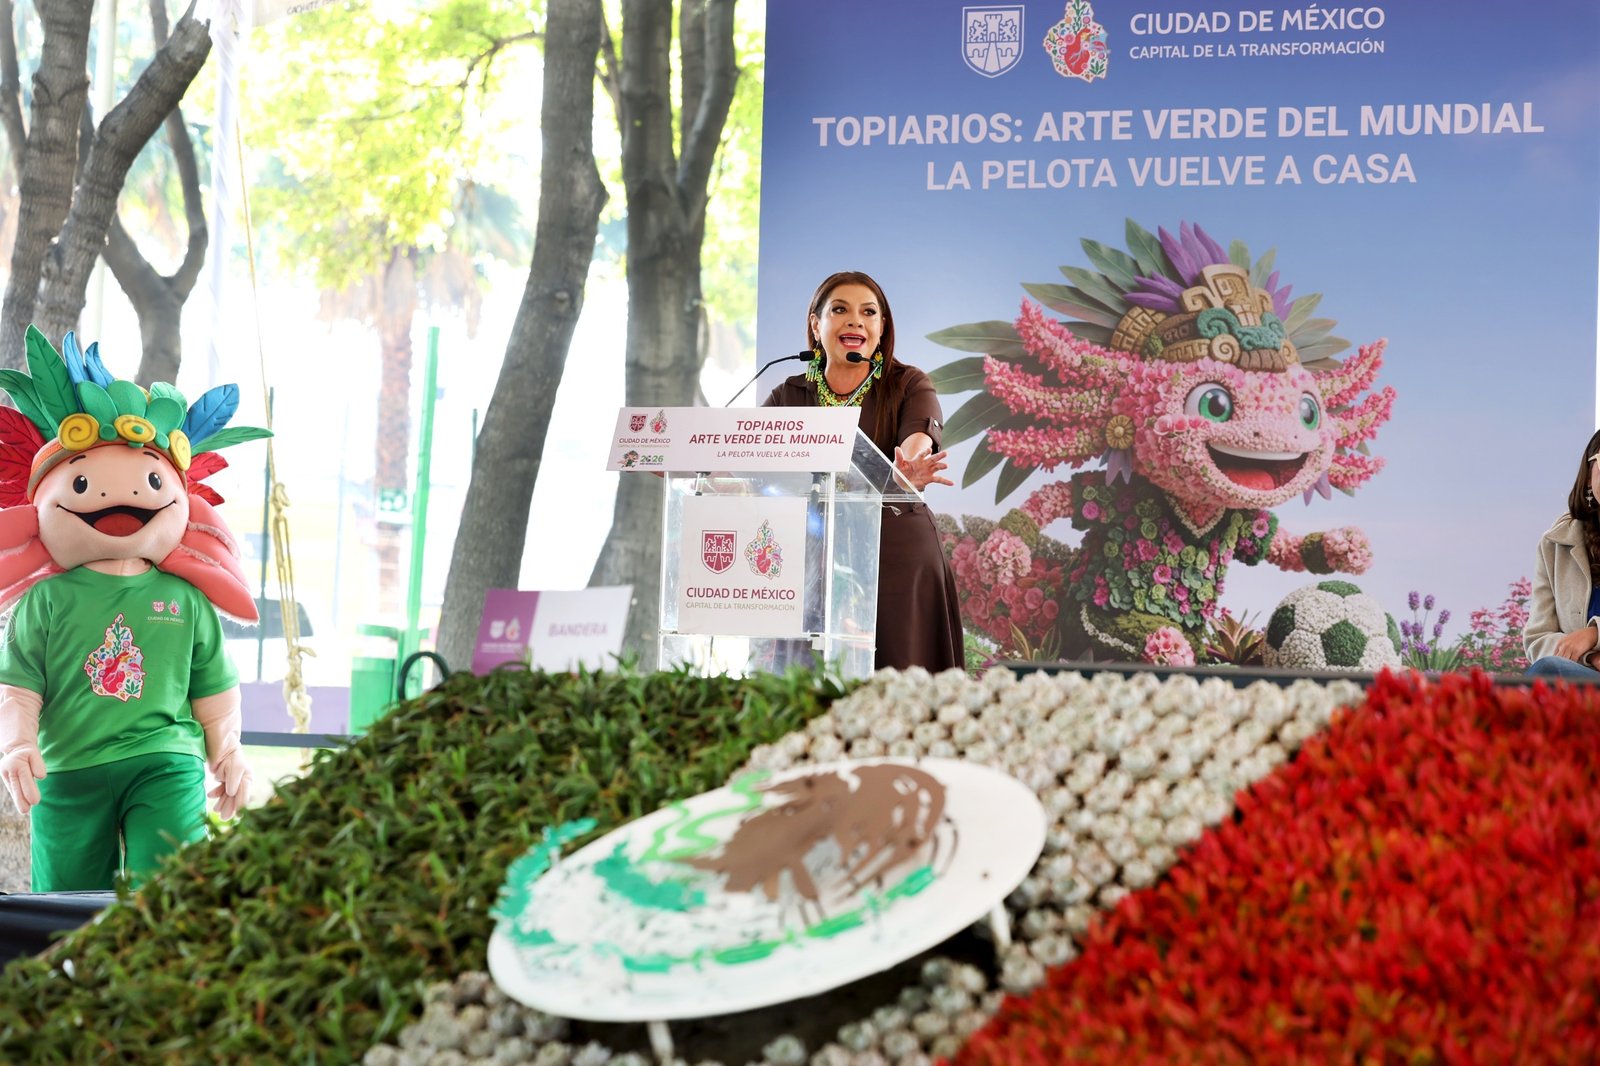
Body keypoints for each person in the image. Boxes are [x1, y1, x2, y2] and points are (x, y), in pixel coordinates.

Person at [0, 327, 269, 890]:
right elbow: (19, 686)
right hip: (67, 768)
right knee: (66, 906)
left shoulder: (186, 599)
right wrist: (17, 740)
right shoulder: (43, 601)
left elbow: (212, 688)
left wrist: (228, 751)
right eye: (81, 482)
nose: (118, 498)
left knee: (169, 892)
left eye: (151, 480)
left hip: (166, 760)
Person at [764, 271, 965, 672]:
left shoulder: (908, 383)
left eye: (868, 312)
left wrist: (906, 468)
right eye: (840, 309)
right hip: (811, 560)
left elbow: (916, 440)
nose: (855, 320)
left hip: (895, 553)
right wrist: (685, 464)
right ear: (815, 324)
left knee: (900, 681)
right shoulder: (788, 394)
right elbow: (744, 459)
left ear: (881, 327)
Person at [1525, 428, 1600, 681]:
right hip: (1582, 679)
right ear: (1589, 476)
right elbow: (1538, 638)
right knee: (1548, 672)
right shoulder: (1555, 544)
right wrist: (1590, 656)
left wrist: (1594, 635)